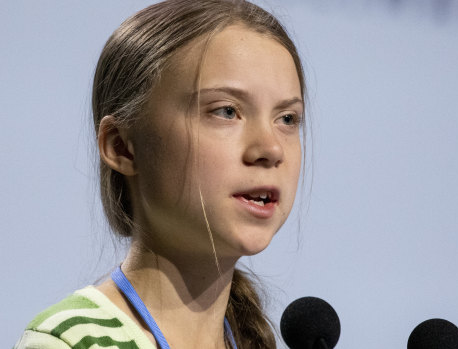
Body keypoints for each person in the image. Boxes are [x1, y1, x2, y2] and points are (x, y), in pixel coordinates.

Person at [14, 0, 306, 348]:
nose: (271, 149)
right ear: (122, 146)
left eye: (287, 118)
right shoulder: (71, 342)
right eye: (226, 111)